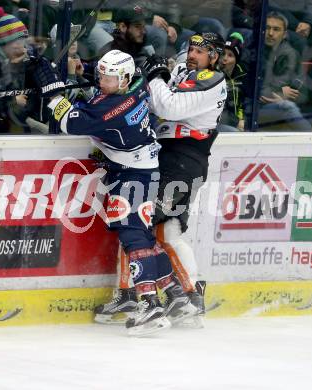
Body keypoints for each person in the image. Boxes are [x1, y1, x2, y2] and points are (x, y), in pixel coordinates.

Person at [32, 49, 198, 336]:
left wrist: (53, 94)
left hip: (133, 175)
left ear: (124, 79)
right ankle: (174, 293)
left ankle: (149, 304)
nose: (103, 81)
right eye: (101, 75)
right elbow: (95, 106)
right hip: (138, 169)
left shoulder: (113, 107)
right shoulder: (135, 87)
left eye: (109, 77)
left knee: (133, 236)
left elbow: (72, 121)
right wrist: (78, 79)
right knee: (143, 236)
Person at [94, 33, 227, 327]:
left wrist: (155, 76)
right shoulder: (184, 72)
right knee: (165, 230)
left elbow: (168, 108)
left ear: (214, 57)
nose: (192, 54)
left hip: (183, 161)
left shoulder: (212, 79)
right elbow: (155, 104)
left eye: (201, 52)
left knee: (137, 220)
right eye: (190, 49)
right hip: (167, 157)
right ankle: (185, 295)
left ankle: (154, 293)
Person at [258, 11, 312, 131]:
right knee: (287, 108)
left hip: (279, 107)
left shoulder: (292, 54)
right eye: (267, 28)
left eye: (276, 29)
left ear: (285, 34)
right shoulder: (252, 53)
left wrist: (283, 97)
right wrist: (280, 92)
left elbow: (303, 94)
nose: (270, 33)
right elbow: (254, 89)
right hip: (255, 109)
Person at [218, 32, 247, 131]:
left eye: (230, 55)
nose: (225, 59)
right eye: (223, 54)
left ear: (236, 60)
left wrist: (242, 119)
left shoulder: (244, 75)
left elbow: (245, 102)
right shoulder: (213, 73)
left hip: (238, 122)